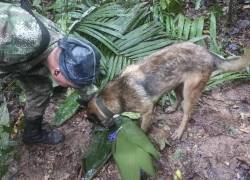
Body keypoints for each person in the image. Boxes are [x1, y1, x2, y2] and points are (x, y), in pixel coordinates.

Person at [0, 1, 101, 145]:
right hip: (9, 51)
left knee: (40, 91)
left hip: (23, 60)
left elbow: (79, 78)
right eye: (70, 85)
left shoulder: (64, 47)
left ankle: (32, 134)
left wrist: (96, 101)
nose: (71, 88)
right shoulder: (22, 38)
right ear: (57, 72)